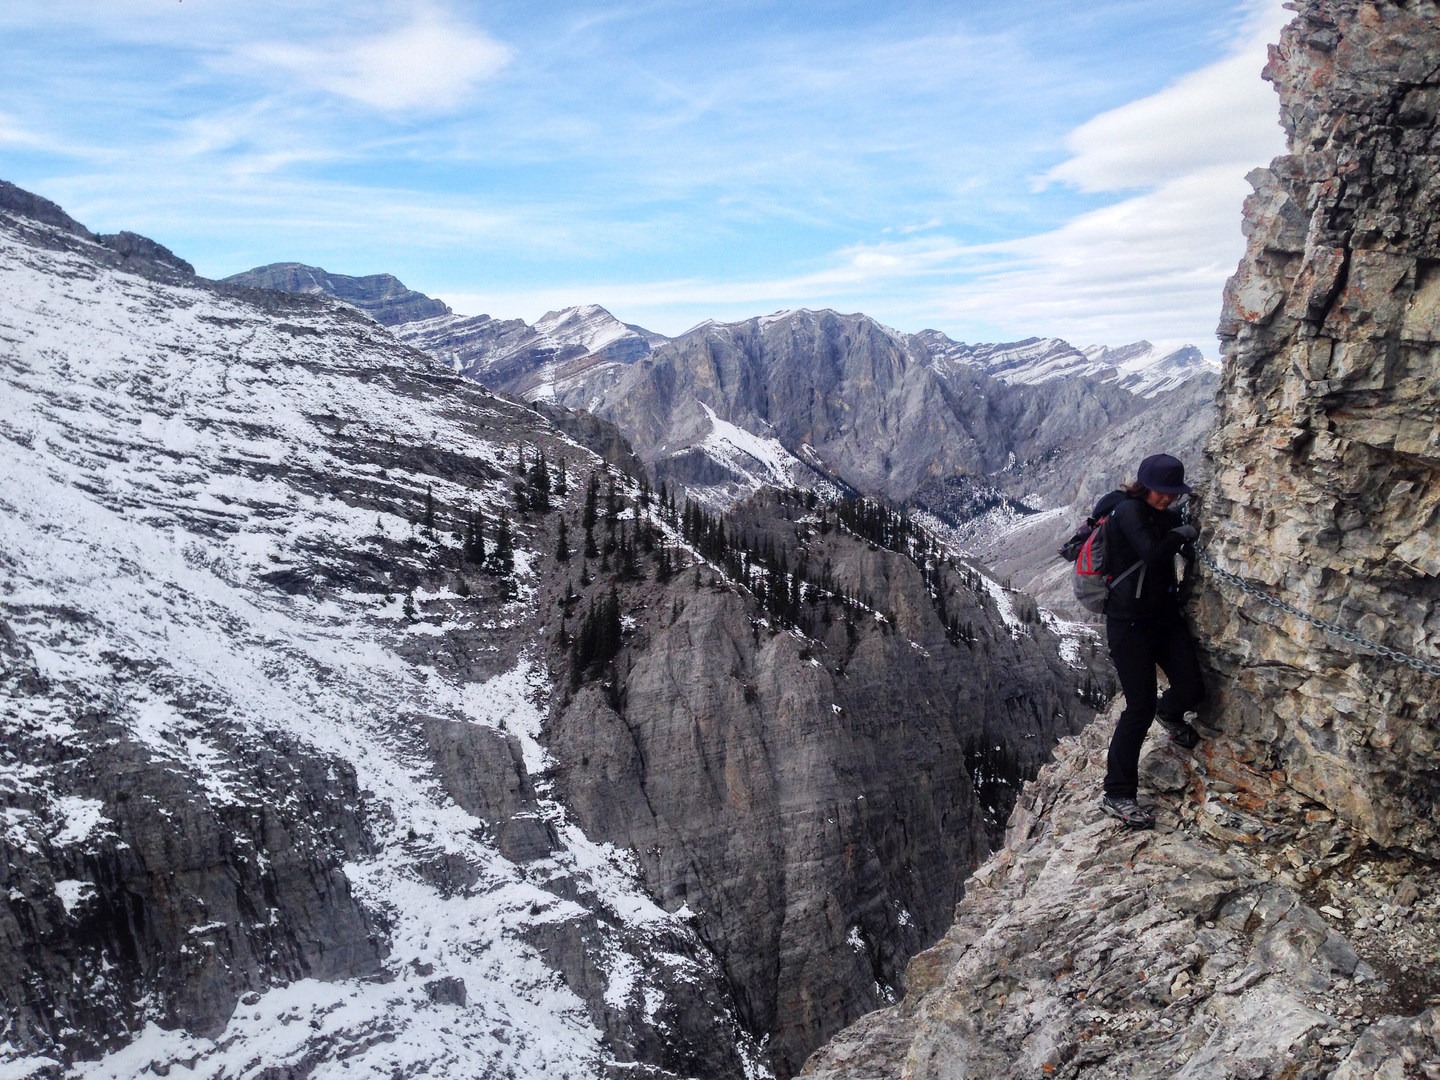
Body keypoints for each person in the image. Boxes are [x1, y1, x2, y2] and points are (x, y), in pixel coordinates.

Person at [1098, 453, 1204, 829]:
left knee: (1192, 687)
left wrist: (1181, 531)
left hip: (1163, 617)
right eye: (1161, 492)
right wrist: (1180, 535)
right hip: (1128, 624)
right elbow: (1152, 553)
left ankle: (1171, 712)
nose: (1167, 499)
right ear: (1146, 486)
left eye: (1172, 493)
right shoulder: (1127, 512)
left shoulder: (1164, 514)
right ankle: (1118, 793)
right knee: (1138, 707)